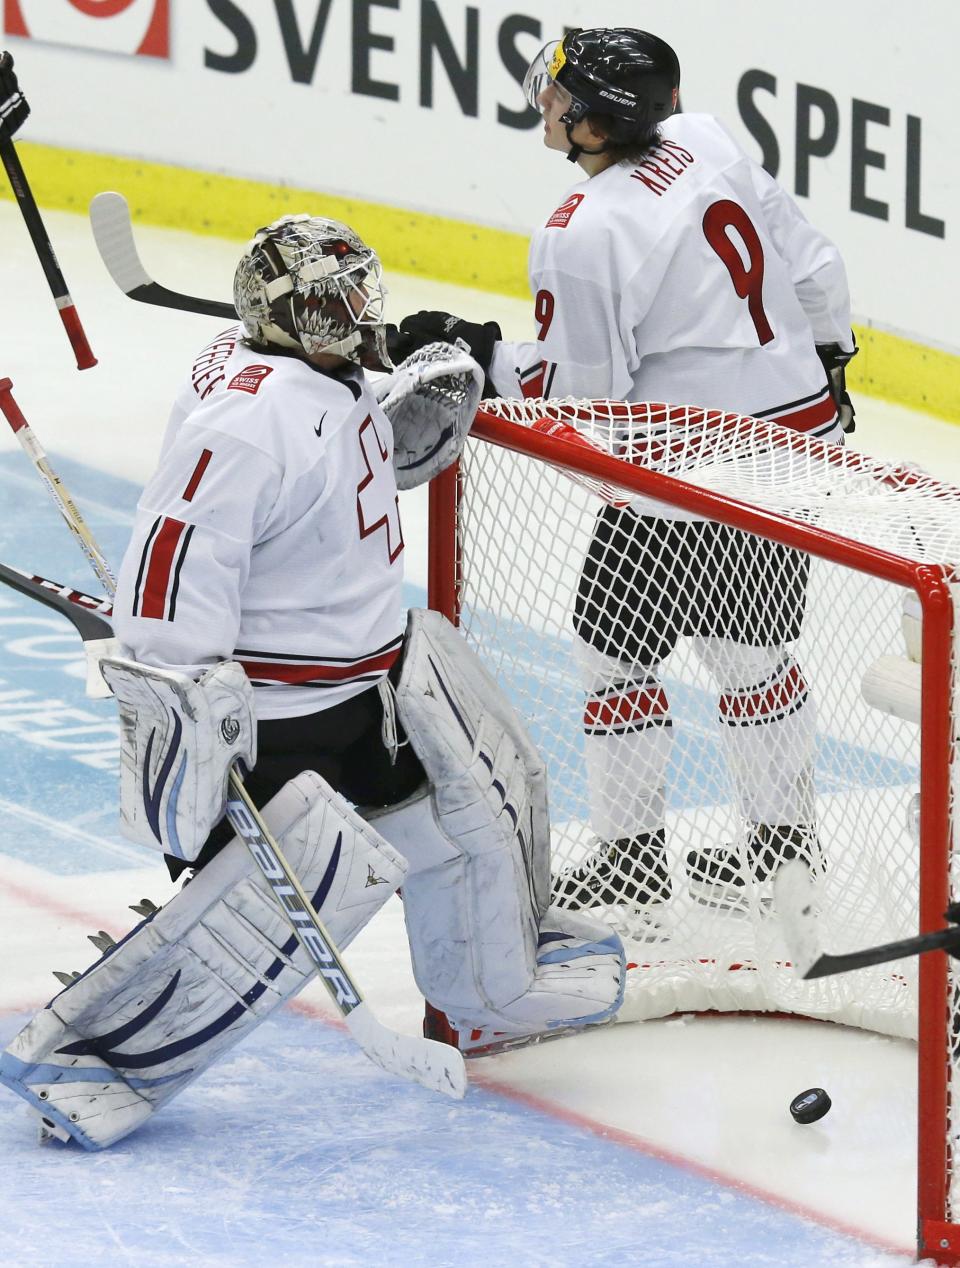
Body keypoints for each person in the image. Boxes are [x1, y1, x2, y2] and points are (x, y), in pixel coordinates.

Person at [0, 214, 625, 1150]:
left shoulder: (315, 376)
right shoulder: (246, 424)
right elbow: (172, 570)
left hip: (371, 695)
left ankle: (491, 994)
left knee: (465, 829)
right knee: (265, 918)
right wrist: (186, 701)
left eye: (360, 296)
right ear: (286, 321)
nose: (358, 316)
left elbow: (355, 425)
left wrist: (414, 367)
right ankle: (93, 1059)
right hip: (284, 722)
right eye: (335, 305)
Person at [392, 28, 857, 917]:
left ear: (599, 127)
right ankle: (784, 849)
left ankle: (635, 860)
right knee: (753, 655)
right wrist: (833, 361)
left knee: (612, 653)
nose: (547, 103)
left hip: (683, 472)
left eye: (561, 97)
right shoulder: (710, 138)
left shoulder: (585, 230)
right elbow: (816, 267)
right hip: (787, 445)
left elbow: (582, 393)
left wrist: (482, 353)